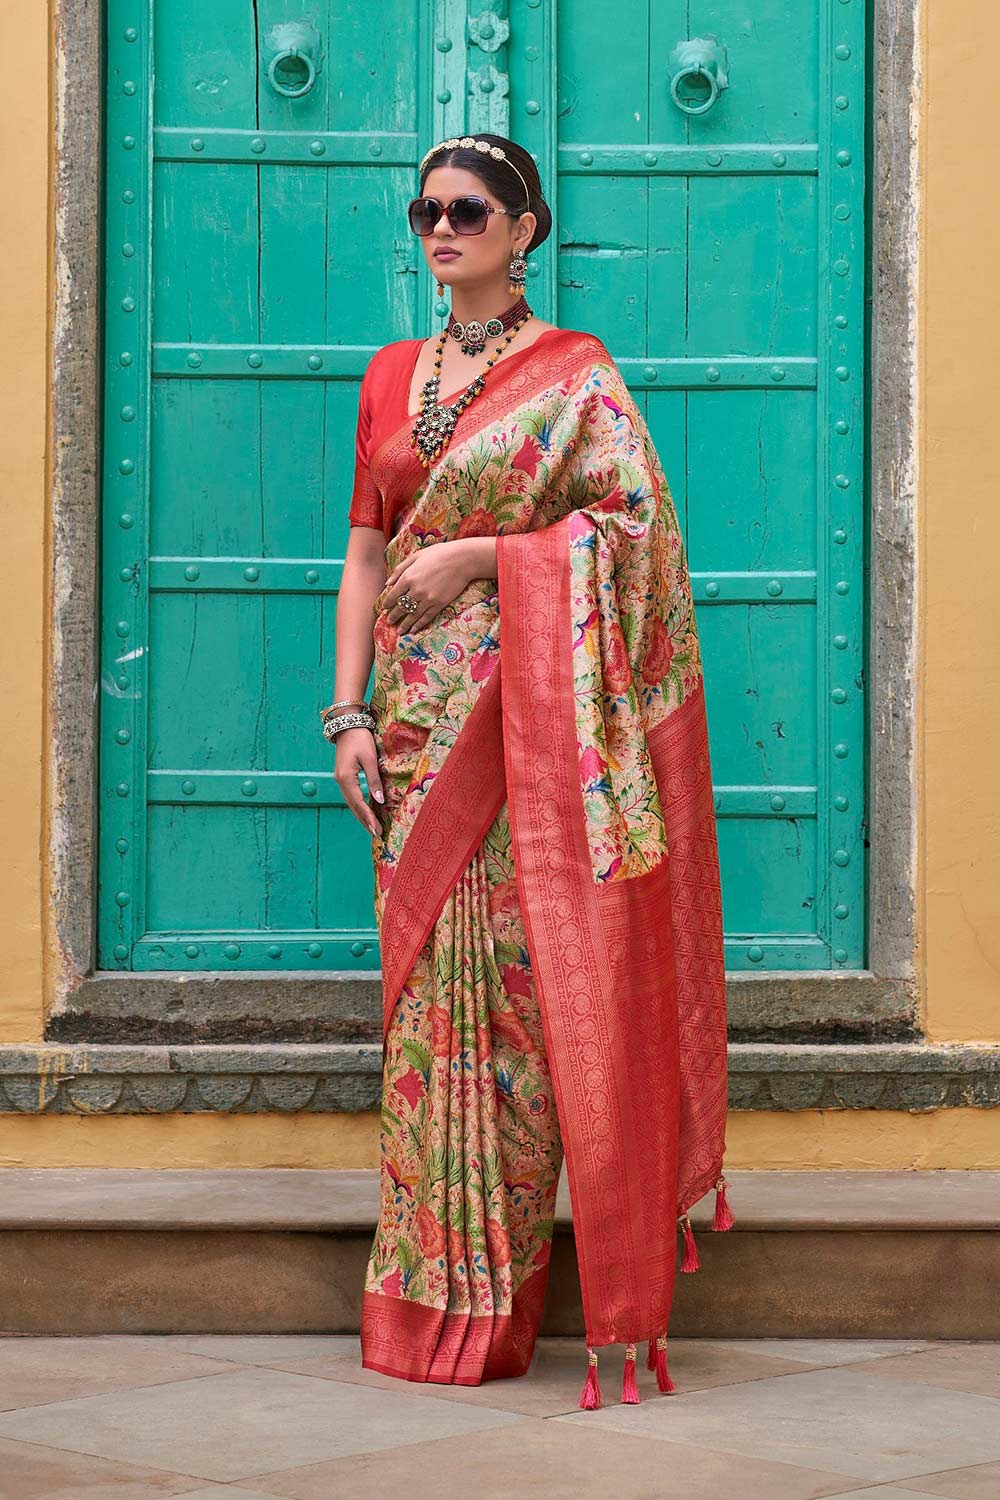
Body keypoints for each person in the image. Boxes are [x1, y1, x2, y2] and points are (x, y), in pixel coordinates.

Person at [326, 132, 732, 1408]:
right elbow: (364, 558)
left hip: (529, 738)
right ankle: (419, 1300)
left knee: (511, 1007)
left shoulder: (575, 377)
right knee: (422, 1017)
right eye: (424, 211)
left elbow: (635, 533)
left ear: (522, 232)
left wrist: (496, 555)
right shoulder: (392, 378)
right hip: (409, 733)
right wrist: (344, 716)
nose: (440, 229)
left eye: (466, 211)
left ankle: (500, 1304)